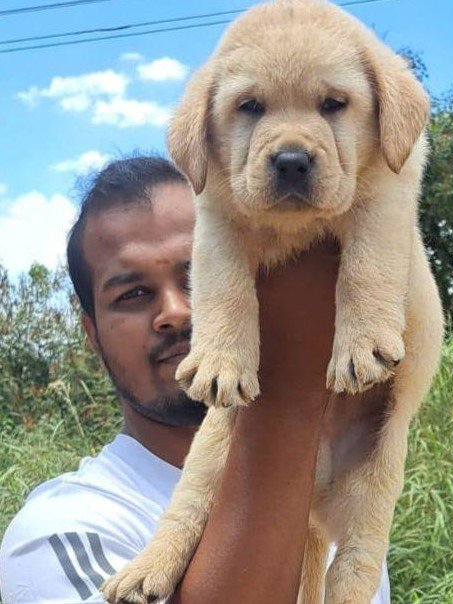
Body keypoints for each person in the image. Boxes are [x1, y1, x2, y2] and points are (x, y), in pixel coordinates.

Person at [0, 156, 392, 603]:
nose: (176, 312)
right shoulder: (61, 531)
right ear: (93, 335)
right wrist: (289, 385)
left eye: (198, 271)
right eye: (133, 294)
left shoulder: (340, 504)